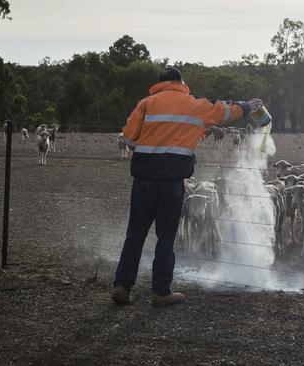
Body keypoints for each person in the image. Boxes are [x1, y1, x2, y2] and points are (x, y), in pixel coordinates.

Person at [112, 66, 263, 307]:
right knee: (166, 237)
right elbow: (224, 112)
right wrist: (247, 106)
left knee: (135, 234)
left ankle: (122, 285)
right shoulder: (195, 106)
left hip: (144, 181)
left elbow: (129, 139)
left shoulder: (146, 104)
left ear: (160, 83)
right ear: (182, 83)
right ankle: (161, 292)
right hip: (172, 183)